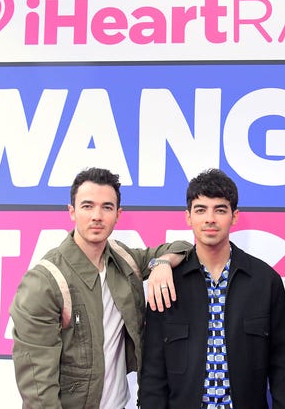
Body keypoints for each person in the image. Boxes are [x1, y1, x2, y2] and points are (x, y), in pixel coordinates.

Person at [10, 167, 191, 408]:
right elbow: (38, 392)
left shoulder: (124, 260)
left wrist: (162, 263)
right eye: (87, 206)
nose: (97, 216)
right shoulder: (43, 283)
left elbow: (183, 247)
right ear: (72, 212)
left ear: (118, 214)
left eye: (106, 207)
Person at [139, 168, 285, 409]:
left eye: (220, 210)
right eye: (200, 210)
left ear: (234, 216)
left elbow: (283, 366)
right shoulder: (166, 282)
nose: (210, 219)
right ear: (188, 217)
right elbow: (153, 371)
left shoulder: (265, 281)